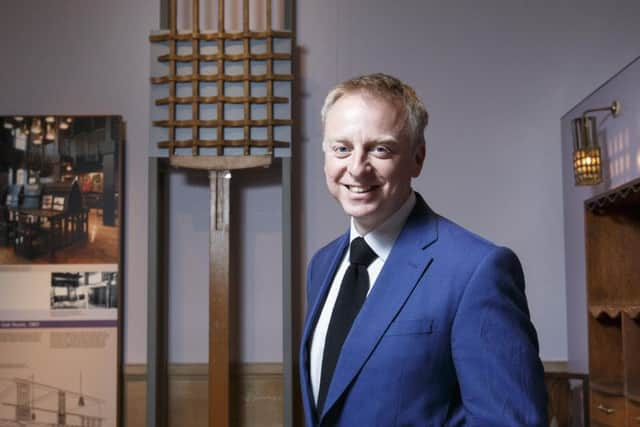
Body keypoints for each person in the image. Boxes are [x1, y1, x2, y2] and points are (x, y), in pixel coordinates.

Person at [298, 73, 548, 426]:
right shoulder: (322, 265)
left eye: (380, 149)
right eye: (342, 148)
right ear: (325, 155)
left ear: (418, 158)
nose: (356, 167)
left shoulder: (477, 270)